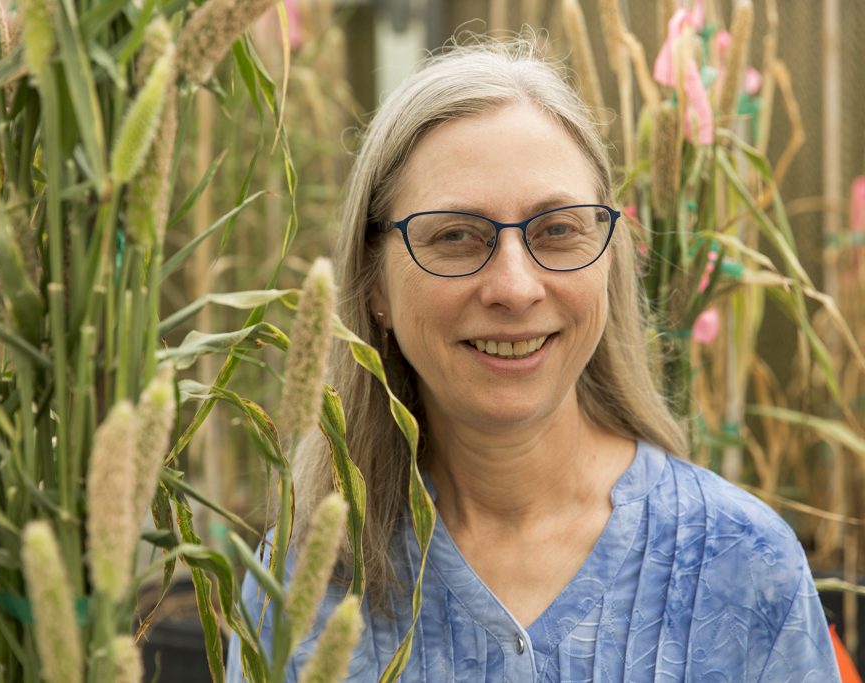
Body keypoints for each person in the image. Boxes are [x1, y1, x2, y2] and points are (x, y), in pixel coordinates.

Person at [228, 37, 840, 681]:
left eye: (557, 229)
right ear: (375, 284)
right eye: (457, 236)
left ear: (608, 259)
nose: (516, 288)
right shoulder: (302, 581)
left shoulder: (742, 567)